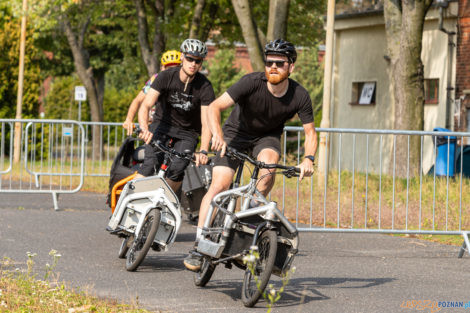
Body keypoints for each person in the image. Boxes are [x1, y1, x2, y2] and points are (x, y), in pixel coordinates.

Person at [183, 39, 318, 271]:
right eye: (269, 62)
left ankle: (244, 229)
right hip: (235, 133)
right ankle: (199, 244)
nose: (273, 67)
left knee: (267, 172)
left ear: (291, 67)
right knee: (220, 185)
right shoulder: (251, 82)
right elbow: (215, 106)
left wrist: (309, 159)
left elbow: (310, 132)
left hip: (267, 137)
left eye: (280, 63)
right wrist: (218, 135)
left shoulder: (299, 95)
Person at [136, 39, 215, 193]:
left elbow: (207, 123)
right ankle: (128, 206)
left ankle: (165, 203)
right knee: (149, 165)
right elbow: (145, 106)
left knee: (177, 169)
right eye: (189, 58)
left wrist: (204, 150)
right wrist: (145, 129)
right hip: (161, 126)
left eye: (197, 61)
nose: (193, 64)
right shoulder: (166, 76)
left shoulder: (205, 87)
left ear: (201, 63)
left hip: (187, 134)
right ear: (182, 57)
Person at [122, 50, 182, 135]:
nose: (172, 72)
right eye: (169, 68)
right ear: (162, 68)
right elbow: (138, 100)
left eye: (176, 68)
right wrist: (129, 119)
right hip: (154, 124)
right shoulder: (155, 79)